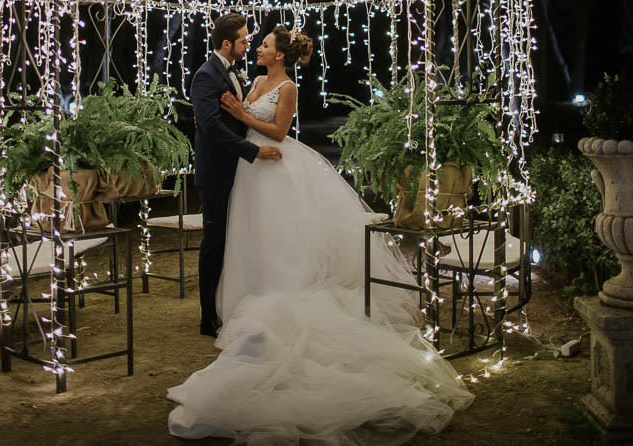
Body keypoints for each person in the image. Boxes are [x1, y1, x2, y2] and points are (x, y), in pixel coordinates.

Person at [168, 26, 473, 444]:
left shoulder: (289, 87)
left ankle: (280, 295)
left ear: (279, 56)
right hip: (249, 169)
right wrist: (242, 124)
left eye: (264, 45)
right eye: (251, 43)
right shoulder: (255, 80)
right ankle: (243, 298)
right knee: (247, 235)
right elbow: (233, 124)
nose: (256, 47)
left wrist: (240, 115)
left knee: (281, 239)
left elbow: (277, 131)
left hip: (273, 163)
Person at [190, 13, 283, 339]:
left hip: (235, 169)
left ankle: (227, 303)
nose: (248, 45)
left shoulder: (231, 72)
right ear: (227, 43)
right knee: (214, 243)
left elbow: (231, 118)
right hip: (216, 170)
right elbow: (211, 126)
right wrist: (252, 150)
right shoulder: (206, 76)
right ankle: (207, 316)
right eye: (244, 40)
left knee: (233, 239)